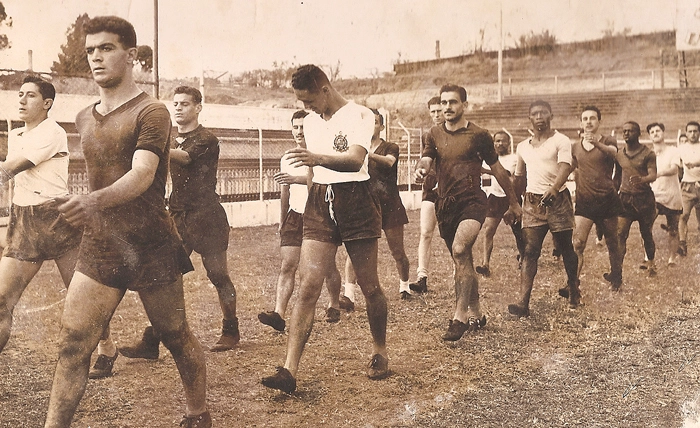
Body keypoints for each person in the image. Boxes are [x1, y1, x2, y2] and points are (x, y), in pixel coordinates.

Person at [45, 16, 210, 428]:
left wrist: (92, 201)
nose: (95, 57)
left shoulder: (152, 111)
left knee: (175, 336)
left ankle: (198, 412)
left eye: (106, 48)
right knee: (72, 344)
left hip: (151, 243)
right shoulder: (83, 116)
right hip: (101, 244)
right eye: (90, 51)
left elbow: (143, 173)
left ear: (131, 55)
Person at [261, 64, 389, 394]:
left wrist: (315, 158)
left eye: (309, 101)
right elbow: (314, 170)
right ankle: (289, 370)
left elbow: (355, 160)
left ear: (325, 90)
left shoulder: (360, 115)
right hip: (320, 202)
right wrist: (307, 188)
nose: (306, 109)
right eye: (301, 103)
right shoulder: (311, 121)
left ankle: (379, 350)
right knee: (307, 286)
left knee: (369, 285)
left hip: (356, 201)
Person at [119, 85, 240, 358]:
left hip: (206, 217)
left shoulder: (207, 139)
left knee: (218, 275)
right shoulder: (171, 140)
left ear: (198, 107)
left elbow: (184, 159)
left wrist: (153, 146)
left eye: (185, 103)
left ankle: (231, 330)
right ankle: (151, 341)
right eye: (175, 103)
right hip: (178, 216)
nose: (178, 108)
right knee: (164, 276)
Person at [414, 84, 521, 341]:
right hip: (445, 205)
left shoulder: (479, 135)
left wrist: (514, 202)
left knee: (461, 250)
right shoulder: (434, 133)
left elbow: (497, 170)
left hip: (472, 201)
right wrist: (421, 168)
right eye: (444, 102)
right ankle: (478, 313)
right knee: (463, 261)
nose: (447, 107)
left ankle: (459, 317)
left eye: (453, 102)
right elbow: (427, 159)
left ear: (464, 105)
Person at [0, 76, 87, 354]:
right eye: (20, 95)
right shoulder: (16, 135)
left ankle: (106, 347)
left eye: (31, 96)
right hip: (23, 221)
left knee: (79, 297)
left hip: (57, 219)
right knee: (2, 300)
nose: (22, 100)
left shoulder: (53, 132)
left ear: (47, 103)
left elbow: (9, 169)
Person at [258, 110, 344, 331]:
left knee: (326, 266)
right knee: (288, 264)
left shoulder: (323, 154)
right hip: (295, 215)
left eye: (303, 127)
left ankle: (334, 303)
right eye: (295, 127)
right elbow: (284, 191)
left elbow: (315, 184)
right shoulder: (287, 157)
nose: (299, 131)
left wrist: (295, 178)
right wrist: (282, 219)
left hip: (319, 214)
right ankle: (278, 313)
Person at [507, 100, 580, 318]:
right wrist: (512, 204)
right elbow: (519, 177)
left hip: (558, 200)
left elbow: (566, 166)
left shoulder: (561, 140)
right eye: (535, 114)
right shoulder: (522, 146)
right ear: (529, 118)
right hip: (532, 202)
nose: (539, 117)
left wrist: (555, 188)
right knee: (530, 251)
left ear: (551, 115)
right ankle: (523, 302)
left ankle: (574, 289)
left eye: (543, 113)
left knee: (566, 247)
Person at [344, 109, 411, 299]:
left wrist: (365, 155)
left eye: (374, 122)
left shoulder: (391, 147)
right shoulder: (355, 148)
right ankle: (348, 294)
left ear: (381, 126)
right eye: (366, 122)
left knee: (397, 251)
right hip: (365, 205)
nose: (370, 126)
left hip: (390, 204)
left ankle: (404, 285)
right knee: (357, 249)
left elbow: (389, 162)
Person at [570, 106, 623, 291]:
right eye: (585, 119)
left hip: (607, 200)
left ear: (599, 121)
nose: (589, 122)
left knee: (612, 242)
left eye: (592, 118)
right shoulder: (575, 146)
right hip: (585, 201)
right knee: (577, 243)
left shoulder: (608, 140)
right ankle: (572, 284)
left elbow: (615, 154)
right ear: (581, 122)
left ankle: (616, 277)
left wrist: (597, 143)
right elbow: (570, 168)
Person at [475, 130, 525, 277]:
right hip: (494, 198)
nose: (500, 143)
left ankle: (523, 257)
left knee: (519, 233)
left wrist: (486, 170)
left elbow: (506, 174)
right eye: (497, 141)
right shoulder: (488, 159)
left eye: (503, 141)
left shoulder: (514, 158)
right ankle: (485, 264)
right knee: (488, 230)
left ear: (509, 143)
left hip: (511, 198)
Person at [408, 96, 443, 295]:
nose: (437, 115)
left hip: (451, 189)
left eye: (440, 110)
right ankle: (422, 277)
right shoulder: (428, 135)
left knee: (454, 236)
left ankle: (459, 274)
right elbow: (424, 159)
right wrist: (419, 170)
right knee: (425, 232)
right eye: (434, 112)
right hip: (431, 188)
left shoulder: (455, 134)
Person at [616, 121, 658, 277]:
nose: (626, 133)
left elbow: (653, 175)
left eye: (630, 131)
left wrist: (642, 179)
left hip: (644, 200)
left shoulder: (648, 154)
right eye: (624, 130)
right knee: (620, 234)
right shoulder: (619, 154)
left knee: (646, 233)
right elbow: (617, 177)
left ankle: (652, 263)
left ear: (638, 133)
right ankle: (617, 271)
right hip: (625, 199)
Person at [649, 122, 682, 265]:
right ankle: (648, 257)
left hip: (672, 194)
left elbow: (675, 170)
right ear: (649, 136)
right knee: (647, 225)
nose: (655, 133)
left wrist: (658, 173)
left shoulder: (673, 151)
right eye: (652, 132)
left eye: (658, 130)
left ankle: (672, 259)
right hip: (655, 194)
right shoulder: (648, 154)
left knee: (673, 229)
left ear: (663, 133)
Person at [678, 121, 700, 256]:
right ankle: (682, 244)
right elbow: (681, 163)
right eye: (690, 131)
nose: (693, 134)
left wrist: (696, 163)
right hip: (687, 184)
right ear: (686, 133)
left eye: (695, 131)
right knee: (684, 215)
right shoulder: (682, 148)